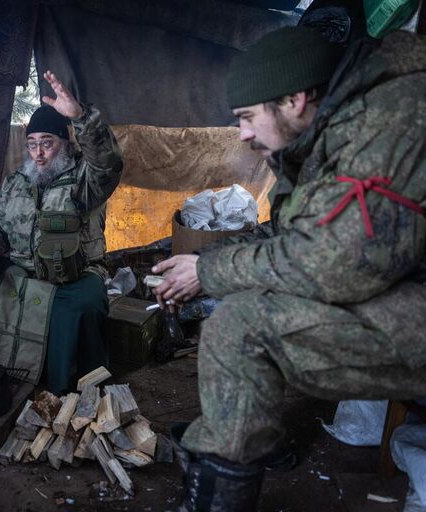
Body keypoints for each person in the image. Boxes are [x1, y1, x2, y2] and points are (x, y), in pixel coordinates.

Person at [150, 27, 426, 510]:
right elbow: (290, 237)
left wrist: (211, 273)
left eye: (248, 117)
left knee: (240, 328)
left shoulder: (391, 117)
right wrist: (205, 262)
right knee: (243, 306)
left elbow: (336, 262)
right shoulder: (325, 136)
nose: (243, 133)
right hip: (396, 285)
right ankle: (244, 450)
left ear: (295, 99)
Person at [0, 70, 123, 395]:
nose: (39, 153)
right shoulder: (17, 180)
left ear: (64, 142)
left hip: (75, 276)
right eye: (32, 144)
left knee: (71, 310)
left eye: (47, 143)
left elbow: (108, 164)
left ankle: (64, 392)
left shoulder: (84, 182)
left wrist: (82, 118)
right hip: (20, 271)